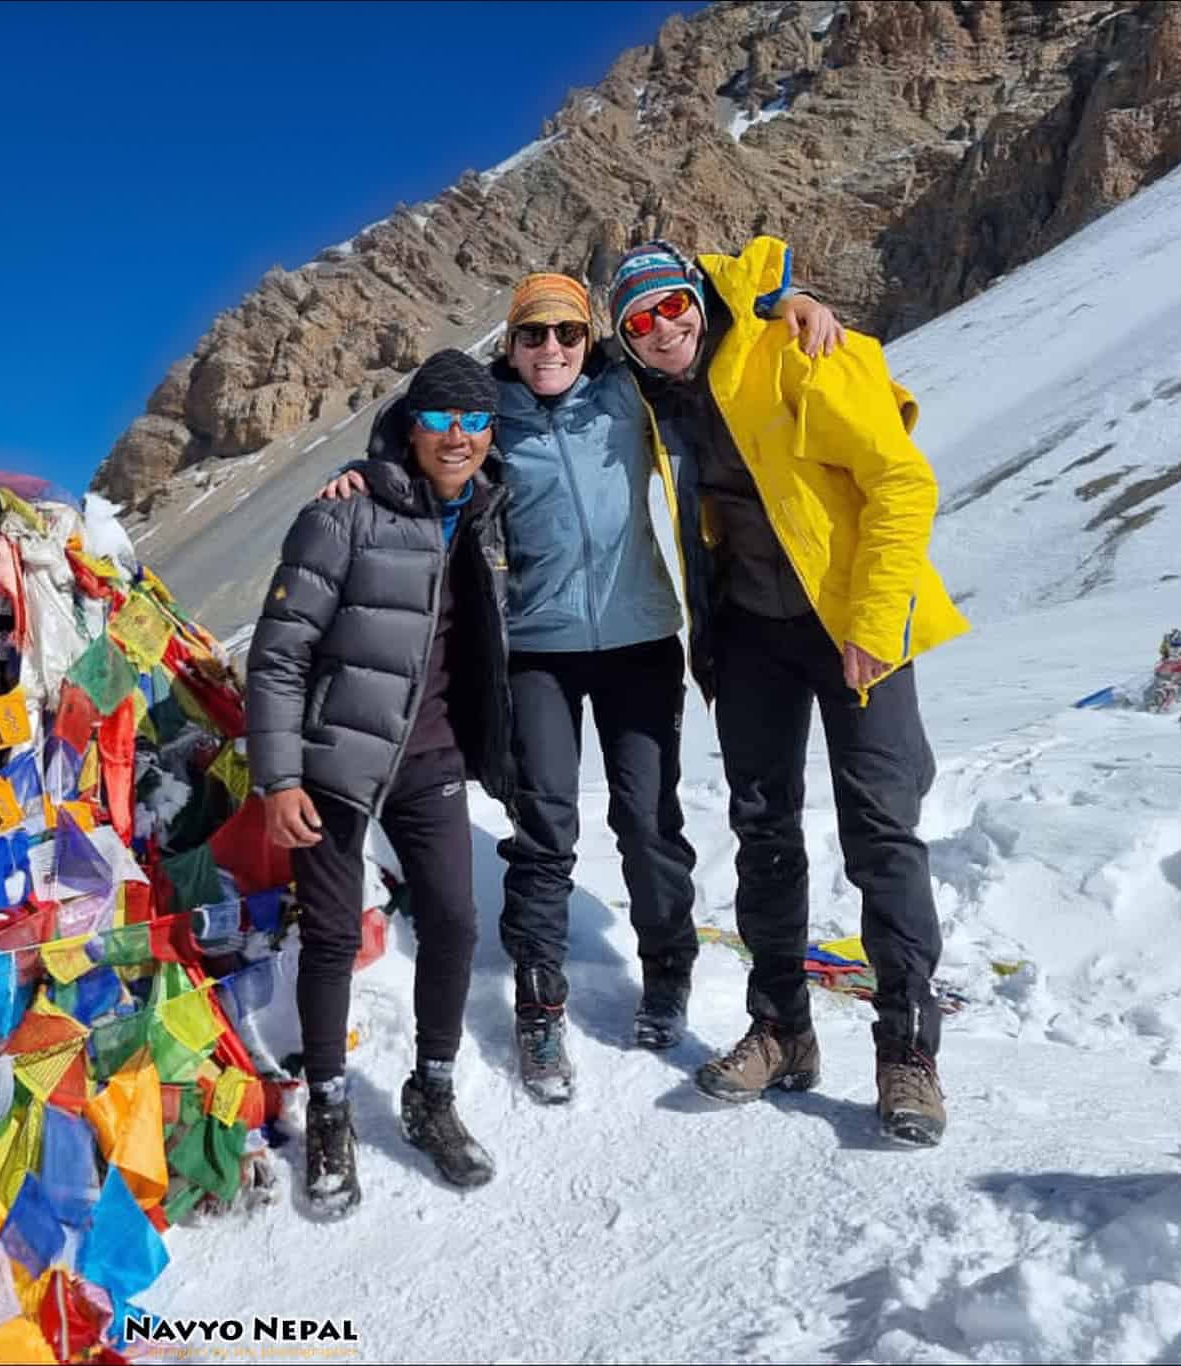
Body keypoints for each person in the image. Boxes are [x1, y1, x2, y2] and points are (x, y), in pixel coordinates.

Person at [320, 263, 841, 1104]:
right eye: (533, 334)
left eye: (566, 331)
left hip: (639, 640)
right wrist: (364, 468)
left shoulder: (624, 397)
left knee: (647, 819)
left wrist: (791, 301)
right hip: (538, 652)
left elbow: (709, 342)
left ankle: (667, 967)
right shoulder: (493, 416)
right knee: (545, 824)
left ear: (588, 337)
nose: (551, 347)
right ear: (513, 345)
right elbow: (418, 431)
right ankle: (539, 998)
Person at [609, 237, 967, 1147]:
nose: (662, 330)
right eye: (638, 323)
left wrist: (873, 623)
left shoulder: (792, 345)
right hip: (751, 633)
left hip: (855, 625)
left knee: (881, 831)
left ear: (697, 296)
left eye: (671, 306)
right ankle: (782, 1031)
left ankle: (907, 1055)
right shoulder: (656, 398)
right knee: (763, 828)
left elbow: (899, 479)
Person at [247, 348, 516, 1217]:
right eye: (441, 419)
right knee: (330, 936)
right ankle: (328, 1107)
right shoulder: (344, 517)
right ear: (411, 425)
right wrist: (279, 777)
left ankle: (430, 1093)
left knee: (454, 919)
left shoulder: (486, 512)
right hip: (335, 763)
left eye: (477, 422)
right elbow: (279, 655)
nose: (460, 437)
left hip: (432, 754)